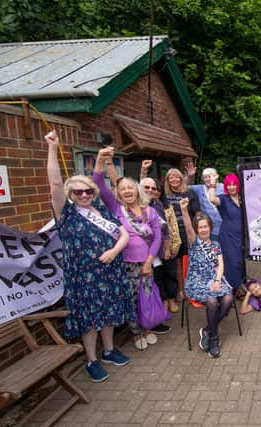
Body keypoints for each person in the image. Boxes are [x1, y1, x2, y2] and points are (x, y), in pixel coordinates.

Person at [45, 130, 133, 383]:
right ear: (70, 194)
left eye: (87, 192)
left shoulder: (102, 209)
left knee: (109, 313)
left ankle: (109, 350)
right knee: (90, 320)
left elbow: (123, 234)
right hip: (84, 276)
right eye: (78, 192)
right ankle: (91, 360)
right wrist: (53, 148)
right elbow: (54, 184)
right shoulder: (67, 213)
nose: (83, 195)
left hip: (109, 271)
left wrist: (114, 251)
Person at [94, 148, 162, 351]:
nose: (126, 191)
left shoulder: (149, 210)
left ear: (136, 189)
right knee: (131, 300)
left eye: (130, 187)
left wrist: (149, 261)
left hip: (147, 263)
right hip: (126, 264)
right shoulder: (116, 208)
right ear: (118, 193)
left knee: (146, 298)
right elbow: (97, 183)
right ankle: (135, 333)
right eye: (122, 188)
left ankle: (147, 329)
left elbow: (157, 237)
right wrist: (102, 162)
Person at [180, 199, 233, 358]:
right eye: (200, 227)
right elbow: (188, 228)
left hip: (212, 281)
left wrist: (217, 281)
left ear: (210, 227)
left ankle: (208, 329)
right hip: (196, 283)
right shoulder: (194, 242)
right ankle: (214, 339)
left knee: (229, 298)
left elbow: (221, 265)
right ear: (197, 229)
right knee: (212, 301)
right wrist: (184, 210)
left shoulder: (216, 244)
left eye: (205, 226)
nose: (203, 229)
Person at [140, 175, 177, 329]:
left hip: (157, 252)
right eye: (147, 188)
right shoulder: (135, 205)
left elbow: (165, 229)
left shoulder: (158, 204)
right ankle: (151, 318)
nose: (151, 191)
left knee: (163, 277)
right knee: (152, 283)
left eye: (154, 188)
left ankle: (164, 306)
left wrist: (167, 247)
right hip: (141, 255)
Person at [164, 167, 201, 303]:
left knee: (193, 262)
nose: (174, 179)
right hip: (173, 235)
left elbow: (198, 214)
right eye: (170, 177)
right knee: (177, 264)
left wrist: (198, 232)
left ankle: (195, 289)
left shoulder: (189, 193)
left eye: (176, 176)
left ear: (181, 178)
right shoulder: (165, 195)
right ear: (167, 180)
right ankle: (181, 290)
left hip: (189, 232)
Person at [208, 173, 244, 295]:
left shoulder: (242, 197)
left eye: (234, 184)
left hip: (242, 236)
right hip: (228, 235)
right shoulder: (223, 198)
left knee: (240, 261)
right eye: (229, 185)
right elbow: (212, 199)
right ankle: (233, 287)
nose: (232, 187)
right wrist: (213, 183)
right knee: (231, 261)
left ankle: (240, 283)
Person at [190, 167, 224, 241]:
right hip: (208, 228)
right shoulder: (200, 189)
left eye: (209, 176)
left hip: (224, 226)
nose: (207, 179)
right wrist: (189, 176)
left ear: (216, 176)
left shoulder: (224, 187)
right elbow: (184, 187)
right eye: (205, 177)